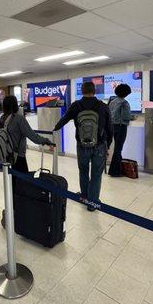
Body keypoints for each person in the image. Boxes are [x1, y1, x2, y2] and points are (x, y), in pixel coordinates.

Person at [53, 81, 112, 211]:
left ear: (82, 91)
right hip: (99, 145)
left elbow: (65, 119)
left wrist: (55, 128)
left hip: (82, 145)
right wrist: (108, 145)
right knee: (96, 174)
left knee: (83, 171)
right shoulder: (102, 106)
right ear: (94, 91)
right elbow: (109, 128)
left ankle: (84, 196)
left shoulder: (76, 105)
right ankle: (92, 203)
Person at [0, 95, 53, 173]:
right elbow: (32, 136)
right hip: (18, 156)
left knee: (11, 180)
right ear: (15, 105)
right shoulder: (19, 119)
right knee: (22, 181)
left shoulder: (2, 118)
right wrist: (46, 141)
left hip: (5, 154)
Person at [108, 84, 133, 177]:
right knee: (118, 149)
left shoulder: (112, 101)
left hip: (113, 126)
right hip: (121, 127)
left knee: (117, 148)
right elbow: (126, 116)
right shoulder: (124, 102)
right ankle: (114, 171)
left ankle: (118, 169)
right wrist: (132, 117)